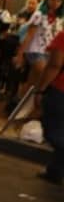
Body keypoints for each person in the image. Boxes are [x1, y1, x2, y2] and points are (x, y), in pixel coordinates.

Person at [15, 0, 63, 110]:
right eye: (52, 0)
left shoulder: (61, 19)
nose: (55, 3)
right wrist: (20, 54)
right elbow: (30, 35)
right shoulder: (39, 15)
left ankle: (21, 103)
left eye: (58, 1)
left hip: (50, 52)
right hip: (35, 50)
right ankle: (32, 104)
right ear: (47, 1)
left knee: (33, 81)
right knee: (44, 75)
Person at [36, 28, 64, 186]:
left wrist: (41, 89)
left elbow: (54, 65)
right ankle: (55, 171)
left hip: (61, 90)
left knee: (54, 131)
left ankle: (56, 170)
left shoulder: (63, 36)